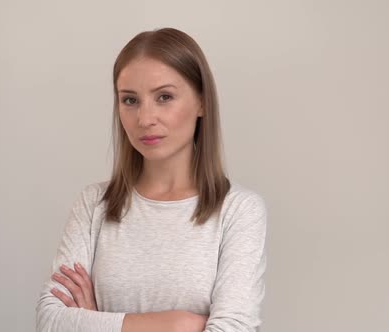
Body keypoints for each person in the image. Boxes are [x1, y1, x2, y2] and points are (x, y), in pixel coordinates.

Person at [35, 27, 268, 332]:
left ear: (202, 102)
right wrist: (178, 325)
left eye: (164, 97)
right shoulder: (94, 204)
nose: (145, 119)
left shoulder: (238, 210)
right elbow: (51, 321)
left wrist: (95, 323)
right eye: (130, 100)